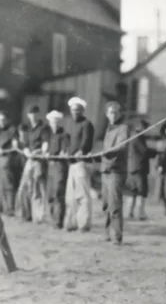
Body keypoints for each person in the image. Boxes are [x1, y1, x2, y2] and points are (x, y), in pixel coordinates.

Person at [100, 102, 130, 245]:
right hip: (105, 170)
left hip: (116, 171)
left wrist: (106, 152)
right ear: (106, 114)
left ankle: (116, 236)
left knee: (115, 205)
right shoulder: (108, 129)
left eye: (116, 112)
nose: (113, 115)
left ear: (120, 114)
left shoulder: (123, 128)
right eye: (111, 112)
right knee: (106, 204)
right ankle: (107, 233)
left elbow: (122, 146)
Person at [15, 106, 50, 224]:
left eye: (35, 114)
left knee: (37, 189)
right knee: (23, 188)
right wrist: (26, 150)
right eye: (30, 114)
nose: (32, 116)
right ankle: (25, 214)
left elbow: (45, 144)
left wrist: (40, 151)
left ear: (39, 114)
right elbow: (25, 144)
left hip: (39, 161)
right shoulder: (30, 130)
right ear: (28, 115)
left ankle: (39, 217)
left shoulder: (44, 128)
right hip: (30, 160)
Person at [64, 97, 95, 232]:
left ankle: (84, 224)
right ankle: (71, 223)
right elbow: (68, 141)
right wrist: (65, 152)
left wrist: (81, 151)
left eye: (77, 110)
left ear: (82, 111)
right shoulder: (71, 124)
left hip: (82, 163)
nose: (75, 112)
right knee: (70, 197)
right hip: (72, 164)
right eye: (73, 110)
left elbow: (86, 141)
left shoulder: (87, 124)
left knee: (82, 196)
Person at [126, 118, 156, 220]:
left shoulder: (133, 135)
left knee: (133, 191)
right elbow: (144, 151)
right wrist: (156, 151)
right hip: (139, 168)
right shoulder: (138, 137)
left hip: (133, 168)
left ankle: (130, 213)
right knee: (141, 191)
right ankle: (140, 213)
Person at [45, 110, 69, 229]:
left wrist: (62, 153)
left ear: (59, 122)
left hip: (60, 166)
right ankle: (52, 218)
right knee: (50, 194)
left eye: (56, 122)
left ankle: (58, 221)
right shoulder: (50, 136)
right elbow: (46, 149)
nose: (54, 124)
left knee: (58, 193)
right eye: (52, 122)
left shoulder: (64, 135)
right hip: (50, 166)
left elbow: (64, 151)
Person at [0, 110, 19, 216]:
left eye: (3, 120)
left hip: (7, 160)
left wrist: (4, 151)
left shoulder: (12, 130)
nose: (1, 122)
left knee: (8, 185)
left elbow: (15, 147)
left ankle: (10, 209)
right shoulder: (1, 132)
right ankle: (0, 208)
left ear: (7, 119)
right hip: (0, 161)